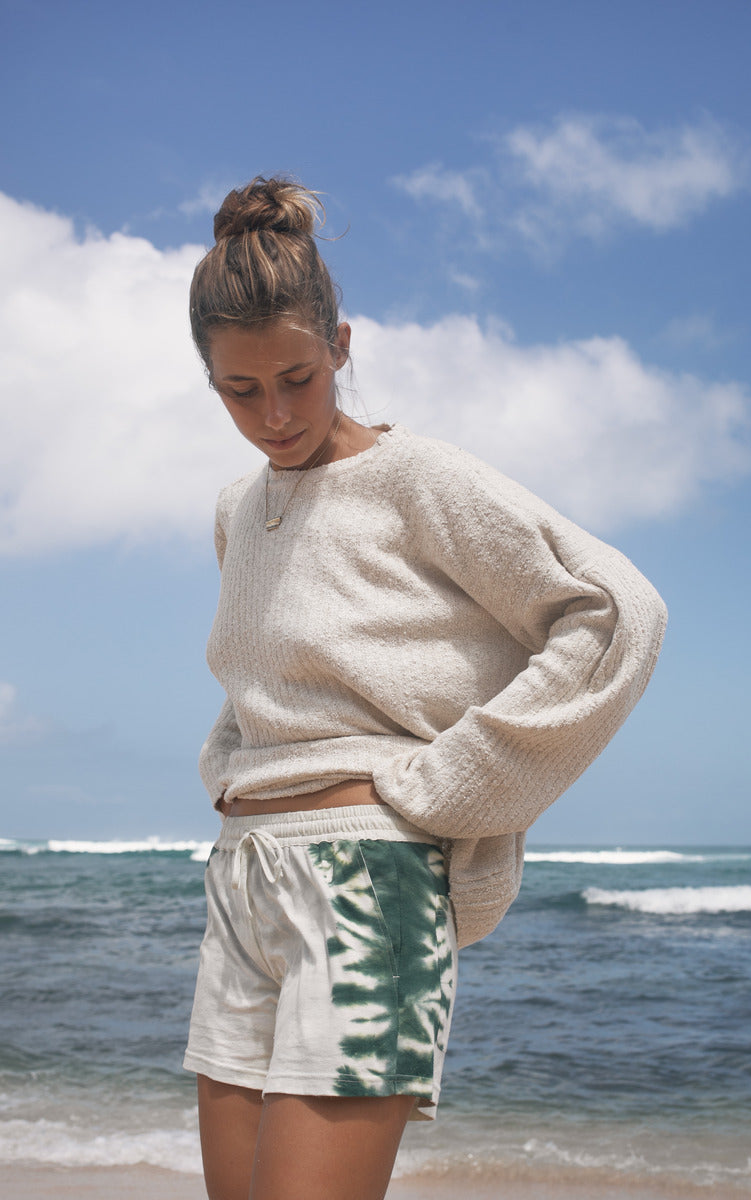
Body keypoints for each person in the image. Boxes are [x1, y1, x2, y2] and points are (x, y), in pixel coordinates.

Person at [182, 176, 667, 1200]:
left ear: (341, 347)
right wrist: (228, 771)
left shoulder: (418, 479)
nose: (274, 414)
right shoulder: (235, 510)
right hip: (243, 879)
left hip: (370, 884)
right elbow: (269, 678)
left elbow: (616, 609)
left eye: (297, 378)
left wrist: (450, 788)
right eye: (240, 390)